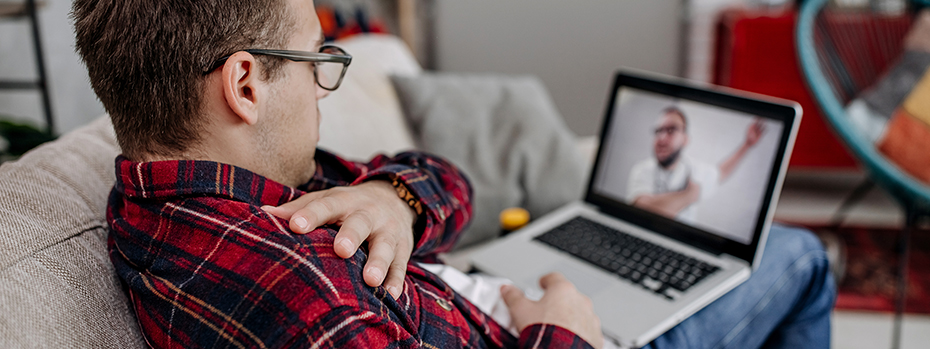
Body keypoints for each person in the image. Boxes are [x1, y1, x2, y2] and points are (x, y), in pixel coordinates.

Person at [72, 0, 834, 348]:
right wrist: (563, 329)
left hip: (491, 296)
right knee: (801, 256)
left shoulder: (180, 194)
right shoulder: (303, 298)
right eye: (315, 60)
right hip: (560, 331)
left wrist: (392, 197)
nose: (323, 88)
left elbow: (446, 180)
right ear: (245, 84)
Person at [628, 106, 765, 222]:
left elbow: (721, 173)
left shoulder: (694, 169)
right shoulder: (641, 170)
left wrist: (747, 145)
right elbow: (642, 213)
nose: (662, 138)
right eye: (659, 131)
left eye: (671, 130)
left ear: (685, 139)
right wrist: (689, 195)